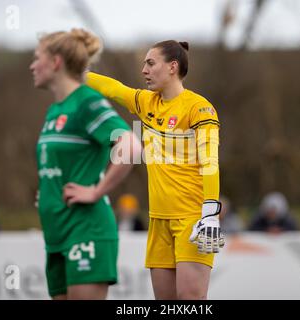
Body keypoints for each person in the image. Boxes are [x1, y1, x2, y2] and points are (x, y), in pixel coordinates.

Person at [85, 40, 224, 299]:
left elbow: (210, 162)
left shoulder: (198, 107)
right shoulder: (147, 102)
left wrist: (210, 212)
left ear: (172, 67)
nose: (144, 70)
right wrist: (75, 72)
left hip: (192, 219)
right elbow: (114, 89)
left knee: (190, 301)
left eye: (150, 63)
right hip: (158, 220)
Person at [30, 28, 142, 300]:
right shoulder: (55, 110)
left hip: (86, 230)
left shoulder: (87, 102)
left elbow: (131, 145)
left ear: (56, 62)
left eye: (37, 58)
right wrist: (49, 190)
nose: (32, 66)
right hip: (56, 234)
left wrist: (96, 190)